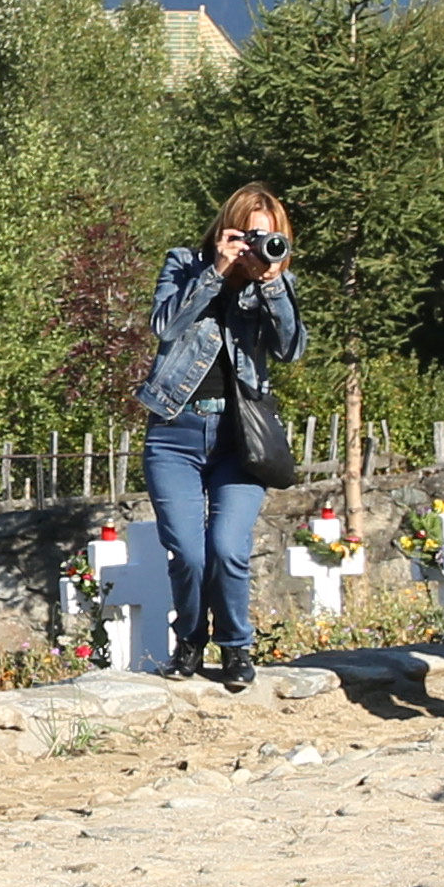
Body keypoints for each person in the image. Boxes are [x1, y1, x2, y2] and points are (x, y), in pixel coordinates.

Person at [137, 188, 304, 685]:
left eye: (267, 236)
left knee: (229, 547)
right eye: (247, 234)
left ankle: (236, 647)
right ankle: (189, 640)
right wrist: (214, 273)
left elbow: (292, 348)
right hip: (175, 430)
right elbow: (164, 325)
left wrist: (271, 285)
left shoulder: (275, 279)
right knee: (188, 551)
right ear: (228, 229)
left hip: (240, 438)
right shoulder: (185, 264)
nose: (256, 245)